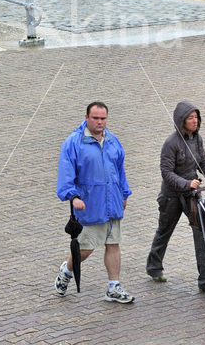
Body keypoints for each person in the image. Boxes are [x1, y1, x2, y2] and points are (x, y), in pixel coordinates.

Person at [55, 101, 135, 303]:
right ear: (86, 118)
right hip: (90, 205)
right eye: (95, 118)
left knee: (113, 243)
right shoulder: (73, 143)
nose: (100, 122)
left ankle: (113, 287)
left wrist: (124, 194)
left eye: (103, 118)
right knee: (85, 250)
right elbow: (66, 175)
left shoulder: (113, 140)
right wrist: (73, 197)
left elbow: (120, 170)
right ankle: (67, 270)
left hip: (112, 203)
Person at [146, 100, 205, 291]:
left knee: (201, 235)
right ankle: (154, 266)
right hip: (171, 197)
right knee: (164, 231)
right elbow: (166, 173)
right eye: (190, 118)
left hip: (192, 196)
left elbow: (203, 162)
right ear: (181, 121)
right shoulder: (170, 143)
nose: (195, 121)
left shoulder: (197, 139)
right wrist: (186, 183)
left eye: (196, 117)